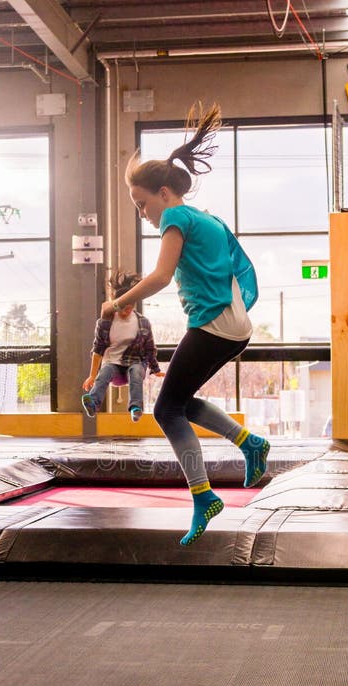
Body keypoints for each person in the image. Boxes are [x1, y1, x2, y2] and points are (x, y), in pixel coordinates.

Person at [100, 101, 270, 546]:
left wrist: (117, 303)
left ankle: (203, 495)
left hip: (215, 325)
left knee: (165, 409)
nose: (142, 213)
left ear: (163, 193)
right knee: (179, 400)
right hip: (233, 326)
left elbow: (158, 276)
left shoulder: (175, 216)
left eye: (141, 203)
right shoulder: (205, 218)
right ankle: (249, 444)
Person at [82, 270, 163, 422]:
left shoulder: (143, 323)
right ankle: (93, 403)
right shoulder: (106, 322)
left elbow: (150, 349)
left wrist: (155, 368)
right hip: (113, 364)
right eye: (123, 308)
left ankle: (136, 408)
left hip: (135, 362)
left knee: (137, 372)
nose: (127, 311)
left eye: (130, 308)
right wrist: (92, 375)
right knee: (104, 373)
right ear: (117, 306)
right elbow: (98, 349)